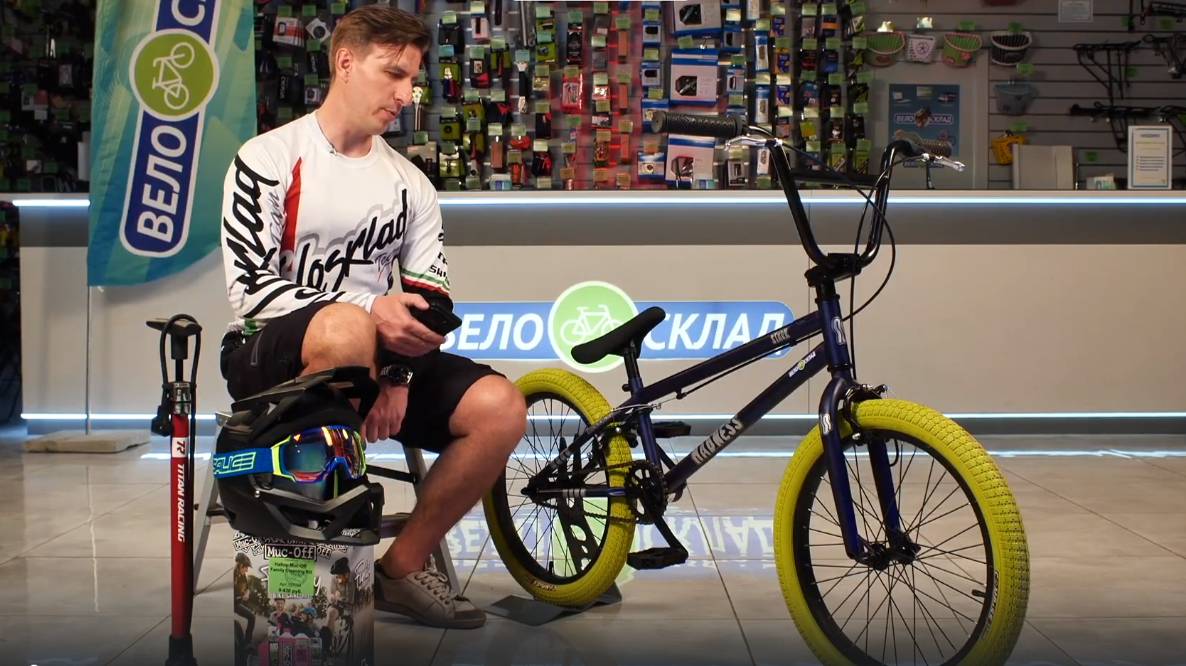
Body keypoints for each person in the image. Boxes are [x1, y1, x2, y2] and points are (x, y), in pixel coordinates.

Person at [218, 5, 526, 629]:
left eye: (412, 79)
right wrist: (367, 315)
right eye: (393, 74)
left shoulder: (410, 183)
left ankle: (400, 569)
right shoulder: (268, 157)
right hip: (269, 356)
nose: (406, 95)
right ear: (345, 62)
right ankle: (318, 571)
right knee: (346, 328)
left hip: (382, 362)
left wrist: (396, 376)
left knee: (502, 408)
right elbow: (249, 290)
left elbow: (432, 305)